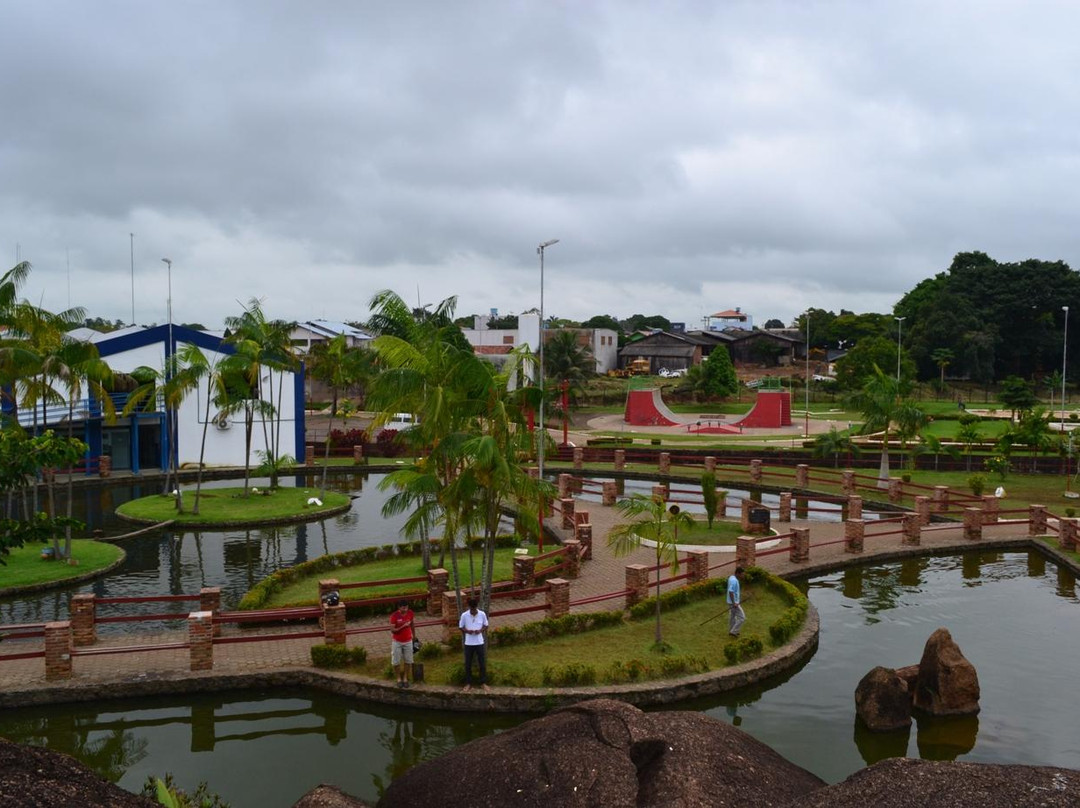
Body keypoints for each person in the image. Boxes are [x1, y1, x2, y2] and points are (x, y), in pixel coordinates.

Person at [458, 596, 489, 691]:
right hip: (469, 643)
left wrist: (480, 630)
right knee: (468, 664)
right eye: (471, 610)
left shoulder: (482, 614)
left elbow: (486, 625)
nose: (473, 611)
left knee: (482, 663)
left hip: (479, 642)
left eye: (474, 610)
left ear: (476, 607)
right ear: (469, 608)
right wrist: (467, 631)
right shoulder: (464, 615)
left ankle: (483, 682)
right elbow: (461, 626)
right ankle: (468, 683)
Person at [389, 600, 415, 688]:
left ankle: (405, 678)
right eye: (403, 607)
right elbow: (393, 630)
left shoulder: (410, 613)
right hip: (397, 641)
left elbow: (412, 624)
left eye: (407, 607)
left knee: (408, 660)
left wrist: (414, 636)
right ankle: (398, 678)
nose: (406, 609)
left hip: (408, 640)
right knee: (396, 660)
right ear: (399, 608)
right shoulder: (394, 616)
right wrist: (402, 626)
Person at [727, 566, 745, 637]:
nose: (743, 576)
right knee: (742, 617)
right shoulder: (735, 581)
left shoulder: (731, 577)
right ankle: (734, 631)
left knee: (732, 617)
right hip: (734, 603)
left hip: (730, 602)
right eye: (742, 574)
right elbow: (730, 591)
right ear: (738, 573)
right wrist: (734, 602)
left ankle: (732, 630)